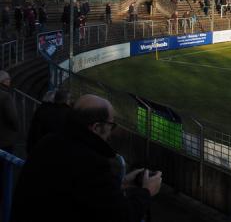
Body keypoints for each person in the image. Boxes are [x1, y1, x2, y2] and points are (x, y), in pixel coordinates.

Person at [12, 94, 162, 222]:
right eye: (111, 125)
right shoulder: (90, 162)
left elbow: (80, 192)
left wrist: (120, 184)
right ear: (96, 127)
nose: (111, 131)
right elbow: (121, 216)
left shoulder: (49, 142)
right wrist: (146, 191)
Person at [26, 89, 72, 155]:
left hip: (38, 148)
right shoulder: (69, 114)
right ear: (67, 100)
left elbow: (34, 130)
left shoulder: (42, 110)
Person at [0, 70, 19, 204]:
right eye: (9, 80)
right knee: (5, 172)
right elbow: (13, 118)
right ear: (4, 81)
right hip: (4, 140)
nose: (10, 81)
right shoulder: (5, 96)